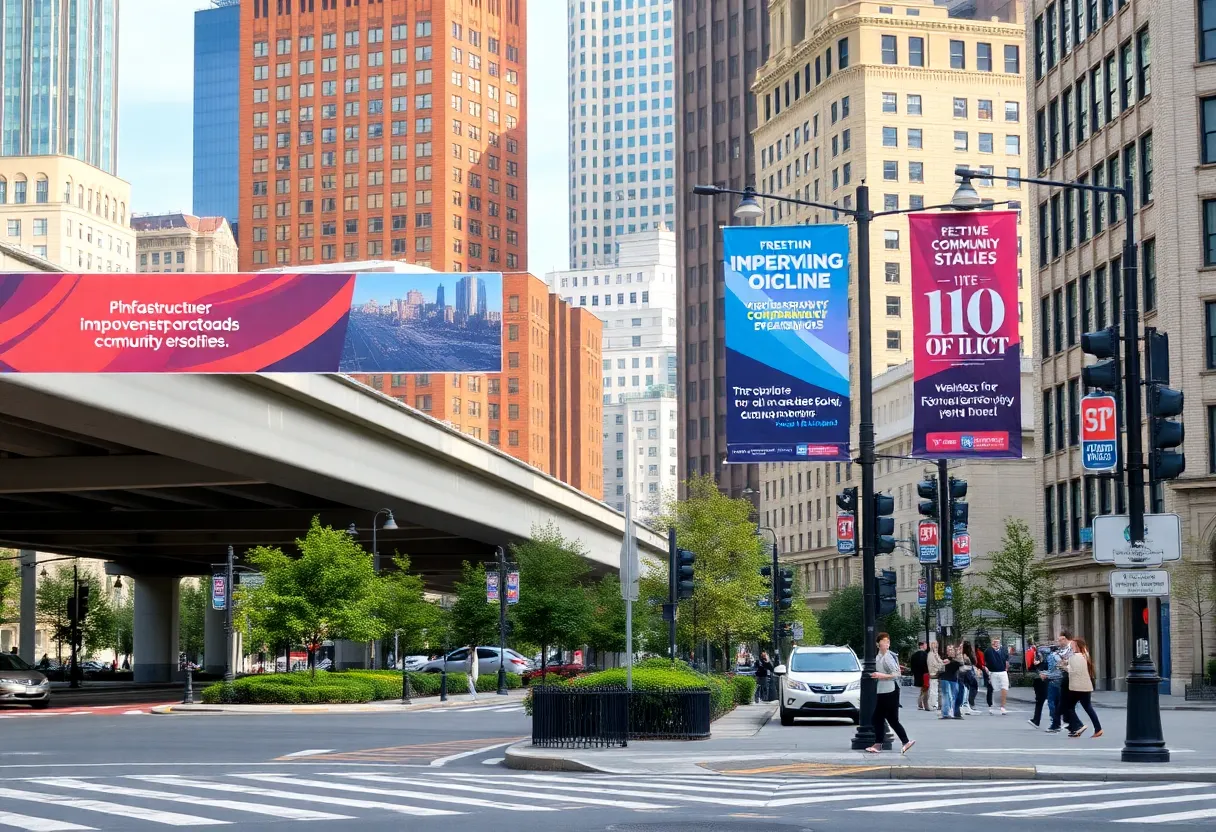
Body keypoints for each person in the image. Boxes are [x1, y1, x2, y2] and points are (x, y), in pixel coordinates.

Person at [865, 632, 914, 754]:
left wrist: (880, 675)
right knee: (887, 718)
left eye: (887, 642)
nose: (886, 645)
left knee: (879, 718)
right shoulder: (878, 657)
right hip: (883, 690)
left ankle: (880, 744)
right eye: (883, 643)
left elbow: (897, 674)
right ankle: (903, 742)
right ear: (878, 645)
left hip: (890, 691)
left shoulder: (888, 657)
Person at [1063, 636, 1102, 738]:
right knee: (1088, 708)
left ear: (1077, 646)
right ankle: (1097, 729)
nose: (1070, 648)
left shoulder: (1074, 657)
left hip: (1077, 687)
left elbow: (1073, 671)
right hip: (1085, 687)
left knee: (1068, 707)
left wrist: (1063, 666)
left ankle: (1078, 726)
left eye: (1072, 646)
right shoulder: (1084, 655)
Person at [1053, 629, 1076, 733]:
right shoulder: (1066, 648)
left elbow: (1073, 662)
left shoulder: (1072, 647)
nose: (1059, 642)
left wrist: (1064, 664)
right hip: (1067, 676)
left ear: (1066, 639)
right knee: (1067, 703)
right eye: (1059, 640)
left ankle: (1059, 722)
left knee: (1064, 703)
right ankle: (1071, 724)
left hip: (1070, 677)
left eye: (1061, 639)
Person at [983, 636, 1011, 714]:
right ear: (992, 642)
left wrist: (1007, 667)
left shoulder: (1004, 650)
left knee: (1004, 687)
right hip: (993, 672)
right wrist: (987, 672)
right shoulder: (988, 651)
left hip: (1002, 671)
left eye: (997, 641)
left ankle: (1002, 706)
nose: (996, 643)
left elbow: (1007, 660)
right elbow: (985, 662)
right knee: (995, 689)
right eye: (994, 641)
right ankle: (993, 706)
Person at [1028, 642, 1051, 727]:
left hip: (1041, 680)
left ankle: (1037, 720)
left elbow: (1033, 666)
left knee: (1042, 701)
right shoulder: (1048, 657)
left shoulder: (1039, 656)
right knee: (1046, 701)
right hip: (1044, 680)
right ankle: (1036, 720)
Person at [939, 644, 962, 719]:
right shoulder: (944, 658)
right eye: (948, 650)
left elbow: (960, 663)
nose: (950, 651)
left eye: (951, 649)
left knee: (954, 696)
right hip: (945, 679)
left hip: (953, 679)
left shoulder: (956, 659)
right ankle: (945, 713)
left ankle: (954, 712)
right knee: (946, 695)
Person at [959, 641, 979, 714]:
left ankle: (966, 703)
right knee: (970, 687)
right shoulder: (968, 654)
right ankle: (968, 703)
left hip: (964, 672)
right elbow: (974, 662)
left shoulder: (962, 654)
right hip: (968, 672)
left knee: (966, 687)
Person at [909, 641, 930, 711]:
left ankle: (920, 703)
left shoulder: (914, 655)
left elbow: (911, 666)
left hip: (917, 675)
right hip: (924, 674)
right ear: (922, 646)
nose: (926, 646)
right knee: (926, 690)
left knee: (923, 689)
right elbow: (926, 665)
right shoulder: (925, 655)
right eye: (925, 645)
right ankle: (925, 705)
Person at [926, 642, 944, 711]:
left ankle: (934, 704)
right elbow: (933, 665)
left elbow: (939, 662)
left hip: (935, 674)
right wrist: (941, 665)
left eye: (936, 647)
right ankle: (932, 704)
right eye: (934, 647)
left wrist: (941, 662)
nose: (936, 648)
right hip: (933, 674)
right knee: (933, 690)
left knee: (935, 690)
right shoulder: (931, 655)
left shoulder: (935, 654)